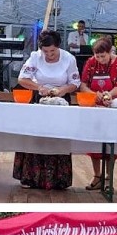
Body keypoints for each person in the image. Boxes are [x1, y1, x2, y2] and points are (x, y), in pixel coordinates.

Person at [14, 30, 81, 190]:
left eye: (52, 51)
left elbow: (75, 82)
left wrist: (63, 90)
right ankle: (30, 177)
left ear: (58, 47)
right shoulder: (35, 57)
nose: (49, 54)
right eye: (46, 51)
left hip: (60, 101)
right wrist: (39, 87)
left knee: (57, 138)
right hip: (40, 100)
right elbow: (22, 79)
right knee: (36, 137)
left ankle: (58, 179)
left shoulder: (68, 59)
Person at [79, 36, 117, 190]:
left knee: (110, 142)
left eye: (103, 56)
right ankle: (97, 176)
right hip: (94, 105)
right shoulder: (90, 63)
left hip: (112, 105)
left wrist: (108, 95)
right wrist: (94, 94)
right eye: (97, 56)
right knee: (94, 142)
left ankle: (109, 178)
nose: (100, 59)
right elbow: (83, 85)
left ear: (109, 52)